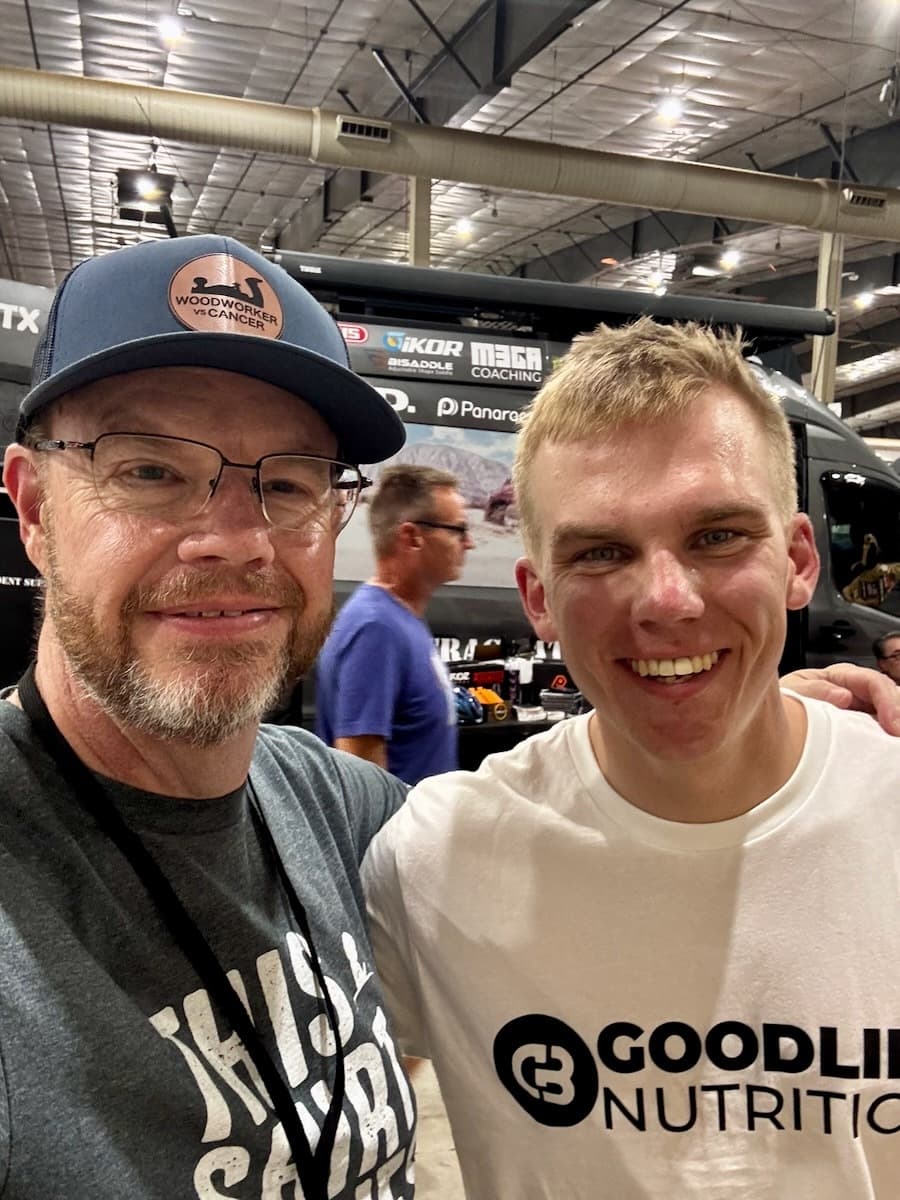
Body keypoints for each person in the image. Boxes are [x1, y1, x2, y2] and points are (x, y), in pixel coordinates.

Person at [362, 317, 900, 1198]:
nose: (665, 600)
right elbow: (347, 1126)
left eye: (718, 536)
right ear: (538, 597)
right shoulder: (437, 861)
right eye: (601, 552)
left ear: (798, 560)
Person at [0, 234, 417, 1198]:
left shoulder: (340, 807)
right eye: (150, 470)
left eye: (286, 483)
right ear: (32, 507)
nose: (232, 541)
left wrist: (759, 728)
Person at [316, 465, 473, 784]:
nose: (468, 543)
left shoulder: (400, 617)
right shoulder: (376, 629)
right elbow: (360, 775)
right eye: (458, 530)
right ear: (412, 537)